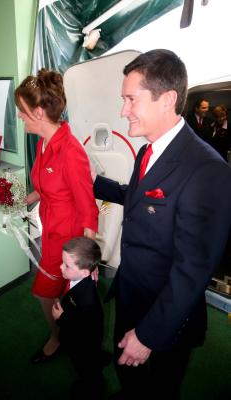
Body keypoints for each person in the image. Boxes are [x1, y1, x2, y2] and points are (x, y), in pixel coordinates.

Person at [93, 49, 231, 399]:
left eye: (130, 99)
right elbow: (140, 197)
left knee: (161, 389)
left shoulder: (207, 171)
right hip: (131, 293)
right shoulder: (147, 150)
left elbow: (193, 270)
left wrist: (148, 335)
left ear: (167, 99)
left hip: (165, 314)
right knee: (127, 374)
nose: (123, 110)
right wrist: (94, 183)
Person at [14, 69, 99, 363]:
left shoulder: (70, 150)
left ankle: (58, 337)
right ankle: (68, 334)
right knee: (61, 295)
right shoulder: (43, 143)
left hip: (68, 239)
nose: (20, 117)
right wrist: (28, 198)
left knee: (43, 293)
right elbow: (48, 184)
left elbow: (88, 208)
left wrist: (88, 264)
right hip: (50, 227)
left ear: (38, 112)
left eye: (22, 112)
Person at [52, 236, 105, 399]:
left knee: (86, 371)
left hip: (84, 347)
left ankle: (91, 388)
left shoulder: (88, 300)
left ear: (84, 272)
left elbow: (85, 328)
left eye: (66, 265)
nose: (61, 267)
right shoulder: (79, 279)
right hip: (79, 340)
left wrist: (61, 318)